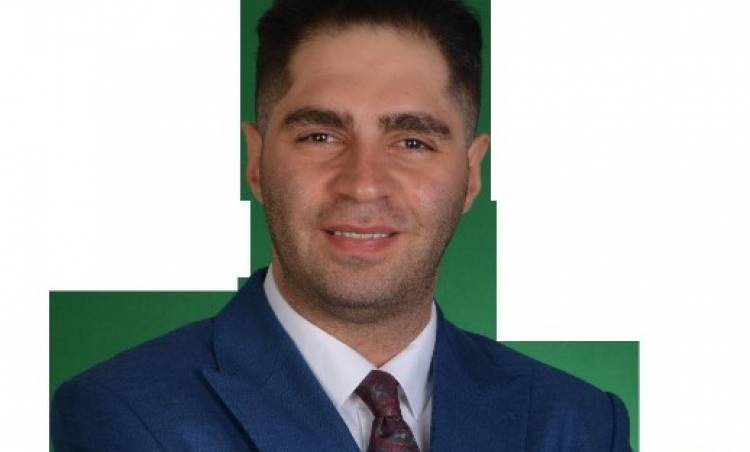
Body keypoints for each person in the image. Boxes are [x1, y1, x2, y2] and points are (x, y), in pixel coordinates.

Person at [51, 0, 632, 450]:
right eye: (320, 136)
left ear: (471, 174)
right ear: (257, 162)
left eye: (412, 141)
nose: (363, 184)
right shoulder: (121, 418)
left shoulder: (581, 425)